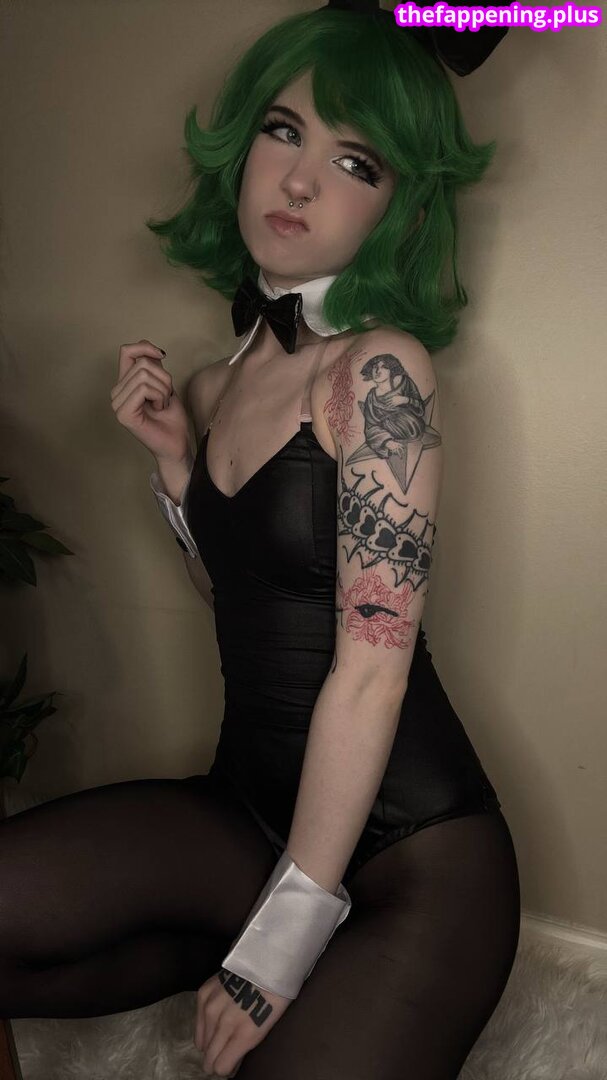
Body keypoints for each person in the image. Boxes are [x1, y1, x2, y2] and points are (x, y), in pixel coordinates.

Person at [0, 3, 520, 1078]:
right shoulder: (210, 384)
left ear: (397, 207)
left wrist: (276, 949)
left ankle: (288, 936)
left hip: (416, 860)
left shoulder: (379, 372)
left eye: (355, 162)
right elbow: (236, 598)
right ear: (242, 146)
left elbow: (371, 672)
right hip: (246, 807)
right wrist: (175, 469)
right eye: (285, 131)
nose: (298, 180)